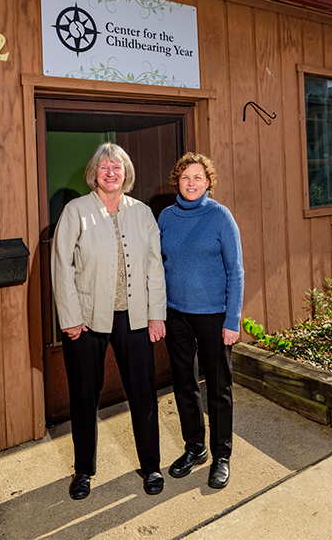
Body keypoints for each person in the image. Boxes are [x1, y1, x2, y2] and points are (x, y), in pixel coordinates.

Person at [51, 142, 167, 499]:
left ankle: (151, 467)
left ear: (126, 173)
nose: (111, 172)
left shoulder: (142, 212)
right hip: (86, 320)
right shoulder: (76, 211)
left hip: (134, 319)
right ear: (94, 173)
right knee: (84, 396)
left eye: (117, 167)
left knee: (144, 394)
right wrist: (69, 318)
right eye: (105, 167)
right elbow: (61, 266)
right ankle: (83, 471)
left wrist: (155, 314)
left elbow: (154, 266)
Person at [158, 152, 244, 490]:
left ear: (208, 182)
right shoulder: (165, 217)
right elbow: (157, 265)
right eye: (185, 177)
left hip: (214, 316)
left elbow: (236, 272)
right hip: (176, 313)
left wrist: (232, 319)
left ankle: (222, 455)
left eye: (198, 177)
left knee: (218, 388)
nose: (191, 183)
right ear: (176, 181)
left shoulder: (221, 216)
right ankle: (195, 448)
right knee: (184, 384)